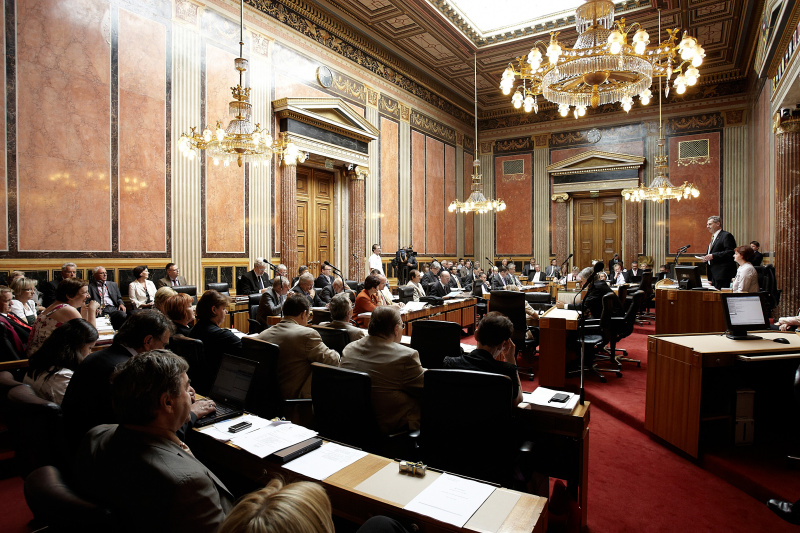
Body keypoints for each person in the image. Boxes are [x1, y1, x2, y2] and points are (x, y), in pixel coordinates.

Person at [76, 350, 232, 533]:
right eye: (186, 388)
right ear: (167, 403)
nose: (192, 393)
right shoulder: (188, 484)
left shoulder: (96, 435)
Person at [62, 310, 205, 448]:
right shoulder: (129, 372)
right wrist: (190, 413)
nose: (164, 351)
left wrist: (180, 390)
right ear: (148, 340)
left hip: (79, 446)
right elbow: (154, 431)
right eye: (163, 345)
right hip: (108, 455)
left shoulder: (96, 357)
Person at [340, 306, 425, 434]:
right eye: (402, 326)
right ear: (396, 329)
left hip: (352, 423)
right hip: (391, 426)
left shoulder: (349, 348)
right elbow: (428, 387)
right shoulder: (406, 356)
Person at [257, 293, 339, 399]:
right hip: (296, 403)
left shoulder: (262, 335)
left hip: (266, 399)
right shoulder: (307, 335)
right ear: (303, 314)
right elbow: (332, 360)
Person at [443, 312, 522, 406]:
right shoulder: (507, 371)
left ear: (476, 335)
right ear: (502, 344)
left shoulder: (450, 363)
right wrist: (511, 359)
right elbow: (516, 401)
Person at [23, 318, 98, 404]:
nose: (90, 353)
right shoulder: (62, 377)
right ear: (77, 347)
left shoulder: (42, 361)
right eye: (90, 348)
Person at [27, 278, 99, 356]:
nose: (89, 296)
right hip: (48, 361)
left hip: (37, 357)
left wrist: (84, 310)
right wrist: (92, 310)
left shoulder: (55, 306)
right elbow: (91, 339)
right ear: (69, 296)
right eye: (85, 292)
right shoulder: (67, 310)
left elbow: (83, 330)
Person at [189, 290, 242, 357]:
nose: (226, 312)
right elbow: (247, 350)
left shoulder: (195, 329)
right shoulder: (222, 335)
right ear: (214, 310)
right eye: (223, 309)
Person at [700, 216, 737, 289]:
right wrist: (706, 258)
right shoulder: (713, 237)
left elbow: (730, 252)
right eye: (707, 224)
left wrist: (713, 256)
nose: (707, 226)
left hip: (723, 273)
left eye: (710, 224)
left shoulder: (726, 235)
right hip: (713, 273)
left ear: (718, 224)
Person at [0, 286, 26, 360]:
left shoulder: (11, 315)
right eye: (7, 300)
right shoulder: (2, 322)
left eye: (11, 299)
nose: (11, 303)